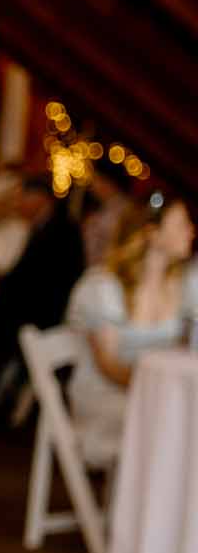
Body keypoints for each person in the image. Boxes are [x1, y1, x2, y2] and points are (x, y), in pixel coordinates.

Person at [62, 198, 198, 466]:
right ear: (152, 233)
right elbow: (109, 365)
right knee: (179, 425)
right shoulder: (103, 287)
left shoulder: (184, 283)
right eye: (182, 224)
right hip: (108, 397)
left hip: (161, 397)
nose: (191, 230)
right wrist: (158, 388)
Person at [0, 173, 86, 406]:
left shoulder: (61, 230)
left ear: (40, 198)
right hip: (31, 305)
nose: (19, 203)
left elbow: (36, 281)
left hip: (42, 311)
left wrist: (1, 285)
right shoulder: (44, 226)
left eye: (24, 197)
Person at [81, 170, 133, 269]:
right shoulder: (101, 209)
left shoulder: (122, 209)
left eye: (97, 180)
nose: (92, 187)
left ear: (109, 182)